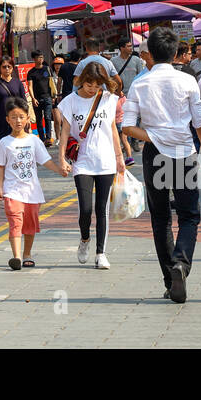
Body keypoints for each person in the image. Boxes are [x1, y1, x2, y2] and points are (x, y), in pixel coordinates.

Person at [121, 27, 201, 303]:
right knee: (189, 215)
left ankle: (169, 279)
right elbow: (200, 122)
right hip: (183, 152)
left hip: (154, 154)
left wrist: (152, 136)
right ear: (175, 54)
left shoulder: (140, 83)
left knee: (160, 218)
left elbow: (126, 127)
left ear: (149, 53)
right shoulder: (186, 81)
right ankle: (181, 265)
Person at [55, 61, 126, 270]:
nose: (93, 89)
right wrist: (61, 159)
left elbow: (113, 129)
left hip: (105, 161)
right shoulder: (70, 102)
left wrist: (119, 156)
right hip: (82, 161)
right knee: (86, 209)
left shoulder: (109, 99)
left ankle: (101, 253)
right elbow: (65, 131)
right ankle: (85, 239)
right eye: (89, 85)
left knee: (101, 208)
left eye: (97, 85)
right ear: (81, 81)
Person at [0, 97, 66, 269]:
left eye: (21, 116)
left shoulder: (34, 140)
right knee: (15, 221)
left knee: (30, 225)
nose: (17, 121)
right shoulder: (4, 142)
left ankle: (27, 253)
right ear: (7, 120)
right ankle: (17, 257)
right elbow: (0, 167)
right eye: (13, 117)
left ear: (27, 118)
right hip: (12, 190)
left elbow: (45, 161)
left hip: (32, 191)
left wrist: (59, 170)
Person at [0, 58, 30, 169]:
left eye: (9, 66)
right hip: (1, 117)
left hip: (17, 118)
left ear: (12, 68)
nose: (6, 69)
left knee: (17, 139)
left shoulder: (17, 82)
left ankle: (19, 160)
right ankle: (0, 163)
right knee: (0, 140)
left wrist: (27, 116)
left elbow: (23, 100)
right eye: (4, 66)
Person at [28, 52, 56, 144]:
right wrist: (33, 98)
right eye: (38, 57)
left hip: (47, 97)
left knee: (48, 117)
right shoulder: (31, 72)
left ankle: (48, 138)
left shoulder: (47, 69)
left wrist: (53, 96)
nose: (40, 59)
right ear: (34, 59)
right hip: (36, 99)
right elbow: (30, 86)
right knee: (39, 119)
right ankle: (42, 139)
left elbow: (51, 83)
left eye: (42, 57)